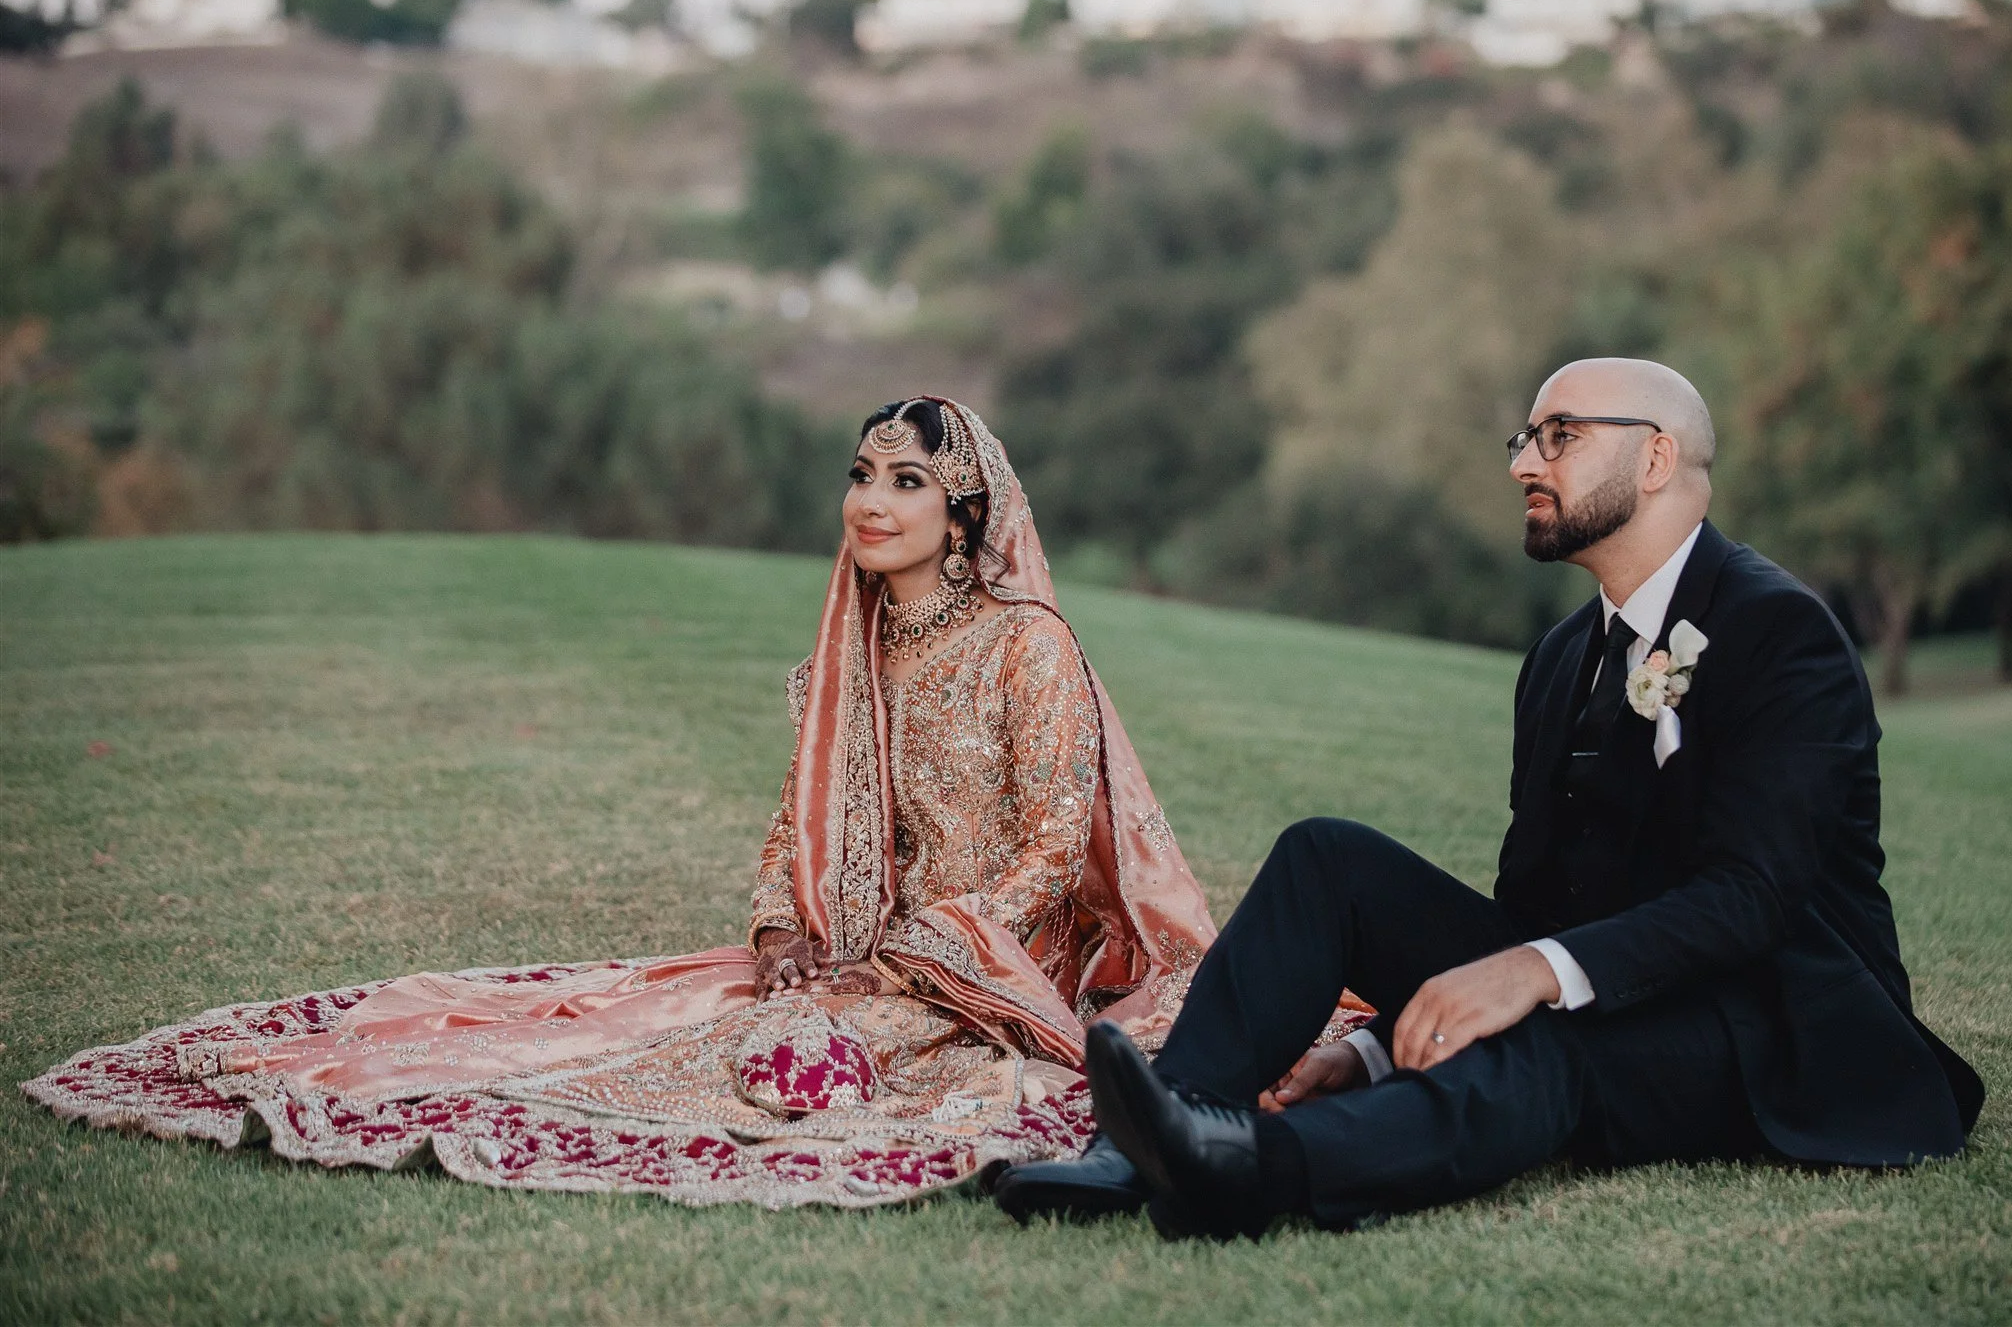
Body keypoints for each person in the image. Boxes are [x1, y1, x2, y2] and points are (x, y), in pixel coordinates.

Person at [24, 397, 1225, 1211]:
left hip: (999, 960)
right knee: (639, 1027)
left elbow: (1056, 849)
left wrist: (923, 957)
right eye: (861, 475)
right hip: (864, 954)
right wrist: (781, 928)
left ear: (963, 515)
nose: (870, 500)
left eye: (907, 481)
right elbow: (794, 826)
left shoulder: (1025, 647)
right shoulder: (850, 659)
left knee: (789, 1069)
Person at [998, 357, 1984, 1239]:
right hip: (1609, 986)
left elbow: (1753, 898)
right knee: (1326, 858)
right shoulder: (1560, 660)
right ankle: (1158, 1132)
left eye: (1560, 436)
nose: (1523, 463)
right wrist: (1379, 1050)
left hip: (1767, 1020)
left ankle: (1251, 1169)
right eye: (1525, 438)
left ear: (1654, 459)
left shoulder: (1780, 633)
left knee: (1546, 1041)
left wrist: (1535, 972)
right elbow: (1536, 906)